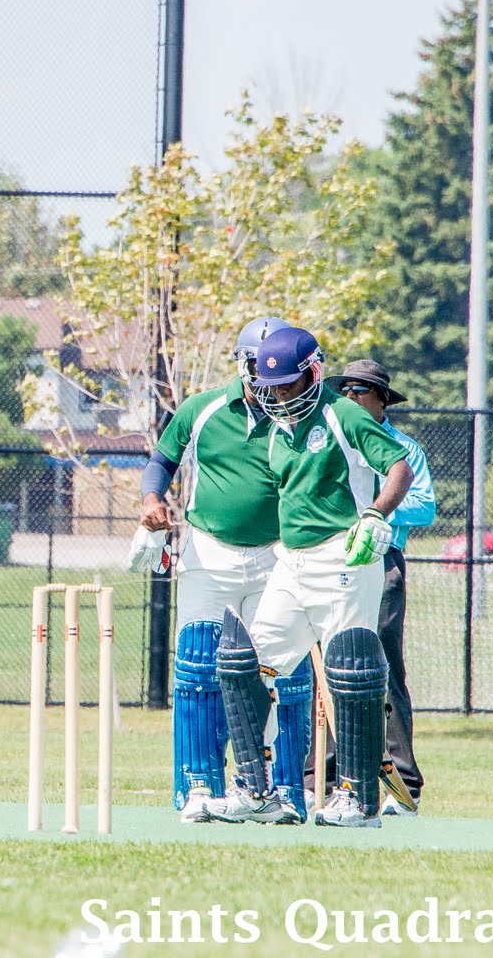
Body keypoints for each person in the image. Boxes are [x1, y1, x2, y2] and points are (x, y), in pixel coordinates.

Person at [209, 326, 413, 829]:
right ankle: (256, 790)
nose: (279, 396)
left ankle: (358, 800)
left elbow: (399, 467)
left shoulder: (343, 414)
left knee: (350, 673)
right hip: (291, 561)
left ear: (314, 373)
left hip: (343, 556)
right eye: (270, 387)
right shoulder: (278, 429)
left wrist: (376, 514)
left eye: (288, 385)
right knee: (245, 665)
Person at [134, 316, 314, 822]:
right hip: (210, 553)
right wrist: (151, 499)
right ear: (244, 365)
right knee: (198, 667)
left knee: (283, 673)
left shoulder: (305, 417)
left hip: (279, 556)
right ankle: (199, 787)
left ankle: (278, 791)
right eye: (261, 368)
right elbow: (162, 461)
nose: (271, 381)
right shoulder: (203, 408)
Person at [323, 358, 436, 812]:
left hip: (382, 560)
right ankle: (328, 777)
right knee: (330, 666)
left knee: (385, 668)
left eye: (360, 389)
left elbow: (424, 506)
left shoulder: (404, 448)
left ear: (382, 400)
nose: (349, 396)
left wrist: (373, 509)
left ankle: (402, 782)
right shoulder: (329, 439)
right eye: (344, 389)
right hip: (330, 560)